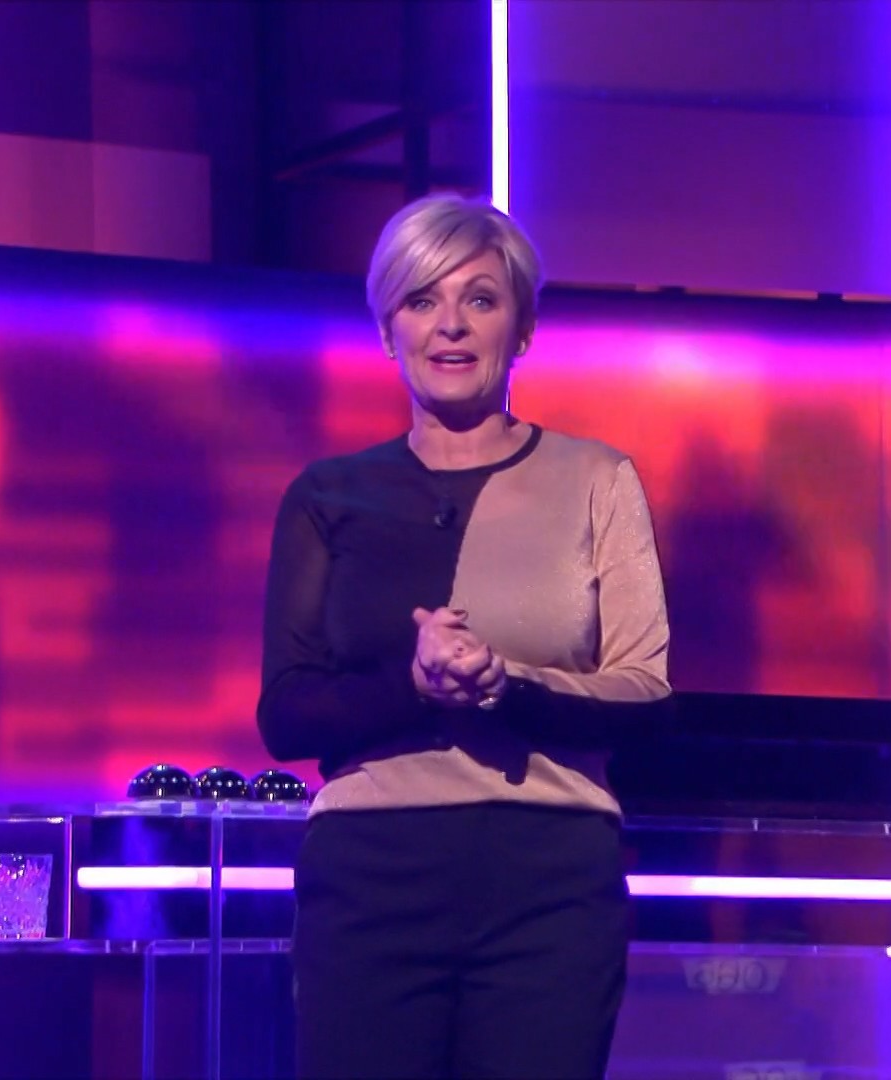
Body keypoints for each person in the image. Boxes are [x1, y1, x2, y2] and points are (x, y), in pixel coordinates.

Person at [255, 192, 673, 1079]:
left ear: (523, 329)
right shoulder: (327, 496)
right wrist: (412, 686)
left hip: (549, 879)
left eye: (480, 299)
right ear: (388, 330)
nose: (450, 325)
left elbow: (644, 698)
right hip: (370, 879)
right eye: (421, 300)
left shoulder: (597, 480)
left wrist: (504, 688)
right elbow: (287, 715)